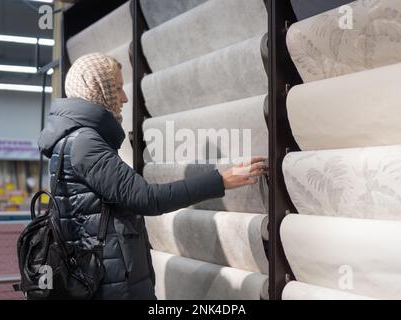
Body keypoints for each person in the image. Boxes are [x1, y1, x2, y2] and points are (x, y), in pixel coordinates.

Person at [38, 52, 267, 300]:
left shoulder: (71, 140)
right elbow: (147, 198)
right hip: (111, 285)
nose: (124, 97)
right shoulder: (85, 144)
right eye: (116, 88)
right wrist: (221, 180)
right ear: (98, 89)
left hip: (102, 278)